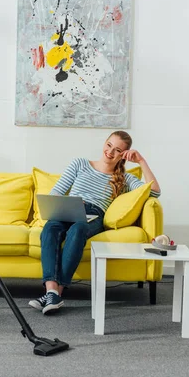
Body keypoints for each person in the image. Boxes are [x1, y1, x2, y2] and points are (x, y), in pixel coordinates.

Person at [29, 131, 161, 315]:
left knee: (79, 228)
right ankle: (51, 291)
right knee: (50, 229)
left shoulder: (125, 179)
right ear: (104, 143)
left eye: (117, 150)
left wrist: (141, 161)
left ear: (124, 154)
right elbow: (56, 192)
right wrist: (65, 204)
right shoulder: (80, 164)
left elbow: (154, 192)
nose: (110, 152)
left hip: (94, 214)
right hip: (70, 208)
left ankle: (56, 294)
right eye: (109, 145)